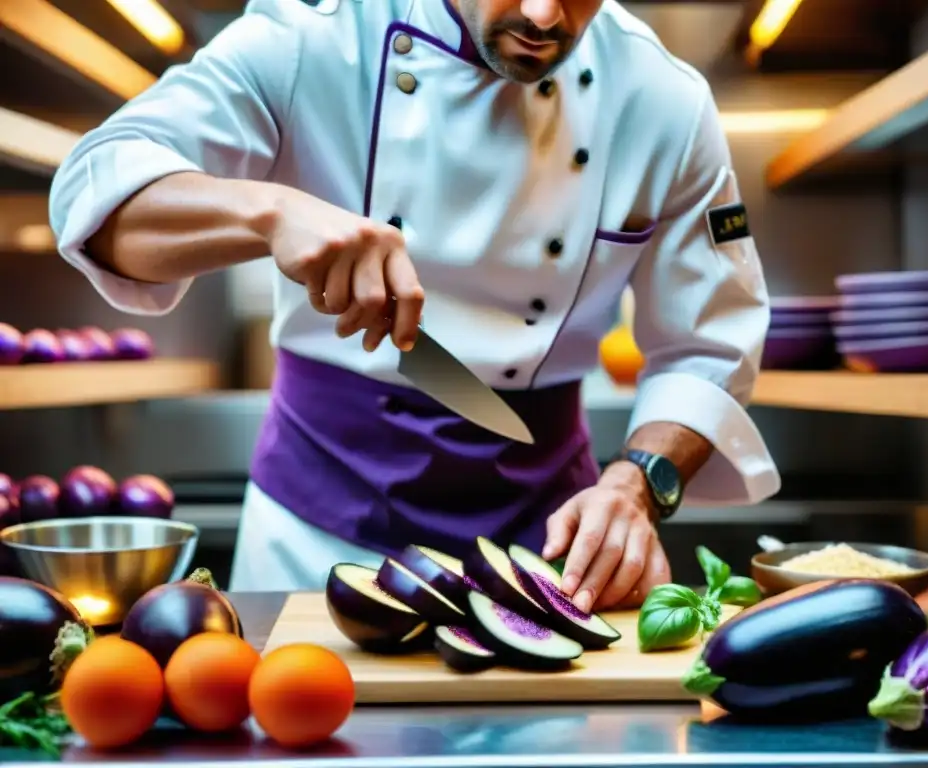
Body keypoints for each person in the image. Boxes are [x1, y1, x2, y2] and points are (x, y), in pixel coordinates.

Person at [49, 0, 780, 612]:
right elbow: (95, 193)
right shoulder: (314, 35)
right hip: (314, 532)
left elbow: (710, 343)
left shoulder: (662, 99)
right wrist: (268, 214)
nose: (541, 14)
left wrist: (637, 484)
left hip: (553, 539)